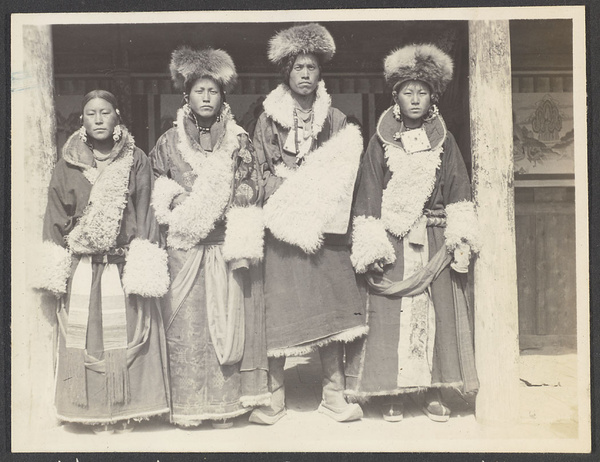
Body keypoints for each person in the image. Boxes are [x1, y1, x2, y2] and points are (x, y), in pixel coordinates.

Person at [346, 44, 480, 423]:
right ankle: (394, 394)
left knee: (436, 315)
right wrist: (371, 242)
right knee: (393, 318)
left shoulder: (445, 141)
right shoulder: (380, 141)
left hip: (434, 241)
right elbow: (369, 192)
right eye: (408, 91)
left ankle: (435, 391)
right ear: (396, 96)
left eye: (422, 92)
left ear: (432, 96)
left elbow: (459, 191)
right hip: (394, 239)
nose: (415, 99)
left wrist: (460, 236)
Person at [33, 90, 171, 434]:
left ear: (117, 116)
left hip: (122, 266)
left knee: (126, 337)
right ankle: (90, 411)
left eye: (105, 113)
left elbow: (146, 209)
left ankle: (127, 410)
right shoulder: (69, 162)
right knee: (87, 340)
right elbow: (55, 215)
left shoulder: (135, 158)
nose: (98, 119)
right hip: (84, 269)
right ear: (82, 119)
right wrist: (55, 266)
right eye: (91, 113)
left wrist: (144, 255)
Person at [250, 23, 366, 424]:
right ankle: (275, 397)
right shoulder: (267, 121)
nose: (304, 73)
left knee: (330, 310)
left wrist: (318, 197)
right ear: (287, 72)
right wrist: (288, 188)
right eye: (298, 66)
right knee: (280, 311)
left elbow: (347, 172)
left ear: (320, 74)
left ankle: (333, 394)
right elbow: (256, 172)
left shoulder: (334, 119)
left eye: (311, 67)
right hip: (282, 229)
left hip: (324, 231)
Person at [149, 46, 269, 428]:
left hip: (222, 248)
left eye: (213, 91)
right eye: (199, 90)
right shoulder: (168, 143)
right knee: (186, 329)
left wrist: (234, 234)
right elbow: (155, 186)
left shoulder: (239, 140)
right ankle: (185, 408)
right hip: (183, 251)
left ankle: (224, 407)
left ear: (222, 96)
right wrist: (178, 200)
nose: (206, 97)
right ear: (187, 95)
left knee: (226, 328)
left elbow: (251, 188)